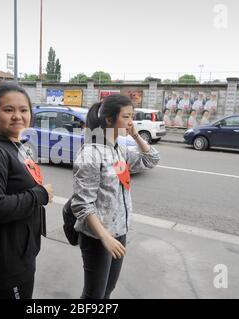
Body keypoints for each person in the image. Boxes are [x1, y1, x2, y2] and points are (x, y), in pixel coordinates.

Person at [0, 83, 54, 299]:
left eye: (23, 110)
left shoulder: (15, 144)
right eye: (9, 110)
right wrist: (40, 195)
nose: (18, 116)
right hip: (4, 261)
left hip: (20, 252)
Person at [71, 94, 160, 299]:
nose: (131, 122)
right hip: (98, 237)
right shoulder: (91, 154)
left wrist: (136, 136)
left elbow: (151, 159)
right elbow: (82, 204)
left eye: (132, 116)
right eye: (126, 117)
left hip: (119, 232)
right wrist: (105, 237)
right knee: (94, 295)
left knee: (107, 291)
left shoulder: (119, 150)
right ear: (109, 120)